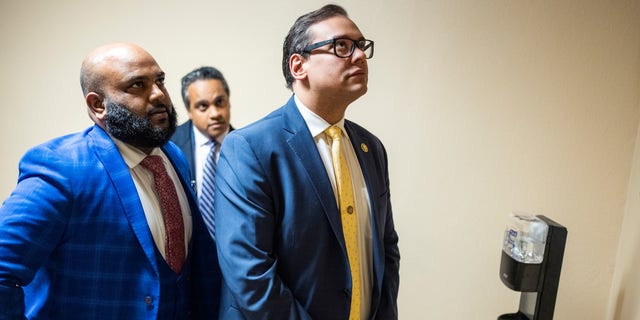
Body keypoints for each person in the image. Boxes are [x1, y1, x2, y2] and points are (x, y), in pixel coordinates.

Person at [0, 43, 220, 319]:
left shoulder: (172, 154)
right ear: (98, 104)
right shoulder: (62, 168)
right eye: (137, 85)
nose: (159, 95)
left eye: (160, 81)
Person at [214, 4, 400, 320]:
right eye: (342, 46)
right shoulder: (249, 148)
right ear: (299, 65)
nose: (359, 56)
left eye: (362, 46)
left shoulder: (372, 148)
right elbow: (249, 272)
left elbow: (386, 250)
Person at [171, 66, 232, 239]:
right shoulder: (167, 146)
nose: (215, 113)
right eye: (203, 106)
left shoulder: (248, 147)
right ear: (189, 111)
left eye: (220, 102)